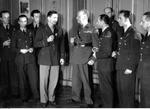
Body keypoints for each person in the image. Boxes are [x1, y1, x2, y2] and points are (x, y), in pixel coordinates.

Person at [34, 10, 65, 107]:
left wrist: (62, 57)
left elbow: (62, 45)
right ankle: (43, 100)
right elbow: (35, 44)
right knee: (43, 81)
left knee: (54, 81)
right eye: (54, 17)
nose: (56, 19)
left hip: (56, 58)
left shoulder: (59, 30)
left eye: (57, 18)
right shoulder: (41, 29)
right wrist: (46, 41)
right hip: (44, 59)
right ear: (48, 18)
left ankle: (52, 98)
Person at [70, 9, 99, 107]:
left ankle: (88, 100)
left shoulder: (92, 28)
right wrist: (73, 42)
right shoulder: (78, 28)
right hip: (76, 56)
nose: (77, 18)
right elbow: (76, 41)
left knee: (86, 80)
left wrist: (93, 58)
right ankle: (75, 97)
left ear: (85, 16)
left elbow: (96, 46)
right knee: (75, 79)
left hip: (85, 57)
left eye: (79, 16)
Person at [11, 15, 39, 102]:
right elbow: (12, 48)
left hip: (30, 59)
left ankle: (36, 96)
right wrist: (20, 50)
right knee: (22, 79)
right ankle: (24, 97)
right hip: (20, 59)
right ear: (19, 22)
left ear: (27, 22)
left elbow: (35, 44)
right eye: (21, 21)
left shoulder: (31, 32)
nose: (23, 23)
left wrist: (32, 49)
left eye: (25, 21)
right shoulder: (15, 33)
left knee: (33, 78)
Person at [116, 10, 140, 107]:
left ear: (127, 19)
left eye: (120, 18)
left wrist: (130, 67)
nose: (118, 20)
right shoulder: (124, 32)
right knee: (121, 94)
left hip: (127, 69)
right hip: (121, 67)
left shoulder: (133, 33)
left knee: (127, 95)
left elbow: (136, 52)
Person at [90, 14, 114, 107]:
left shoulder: (108, 32)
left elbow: (107, 52)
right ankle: (106, 105)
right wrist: (97, 50)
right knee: (104, 87)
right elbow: (104, 48)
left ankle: (108, 106)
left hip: (106, 65)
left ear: (103, 22)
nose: (96, 23)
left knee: (106, 87)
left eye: (98, 21)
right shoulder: (104, 32)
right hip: (103, 64)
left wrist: (96, 54)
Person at [0, 10, 18, 98]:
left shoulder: (14, 28)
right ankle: (5, 93)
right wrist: (3, 44)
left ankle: (14, 93)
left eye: (8, 17)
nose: (7, 19)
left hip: (13, 55)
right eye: (4, 17)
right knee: (4, 74)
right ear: (1, 18)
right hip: (3, 55)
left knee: (13, 74)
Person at [136, 11, 150, 107]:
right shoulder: (146, 35)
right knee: (144, 99)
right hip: (144, 73)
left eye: (143, 21)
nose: (140, 23)